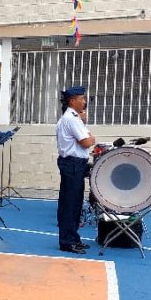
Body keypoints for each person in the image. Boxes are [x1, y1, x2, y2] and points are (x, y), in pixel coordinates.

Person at [56, 86, 95, 254]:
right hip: (72, 164)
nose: (84, 102)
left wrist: (89, 136)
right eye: (81, 99)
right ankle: (67, 241)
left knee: (75, 204)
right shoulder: (71, 119)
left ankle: (73, 238)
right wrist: (92, 138)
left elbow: (86, 137)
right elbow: (86, 142)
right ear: (72, 101)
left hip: (75, 164)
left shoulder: (75, 118)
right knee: (70, 204)